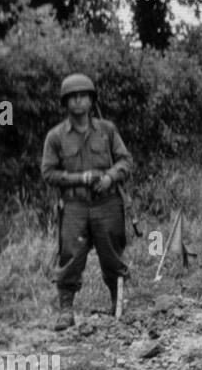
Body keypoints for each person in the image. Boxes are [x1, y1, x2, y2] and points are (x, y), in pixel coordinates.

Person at [41, 73, 134, 330]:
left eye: (84, 96)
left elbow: (125, 161)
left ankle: (119, 304)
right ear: (65, 102)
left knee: (112, 255)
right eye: (73, 97)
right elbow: (48, 173)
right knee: (70, 257)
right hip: (74, 206)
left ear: (92, 101)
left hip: (107, 203)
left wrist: (109, 178)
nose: (79, 102)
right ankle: (66, 311)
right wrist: (79, 178)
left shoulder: (107, 131)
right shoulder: (56, 136)